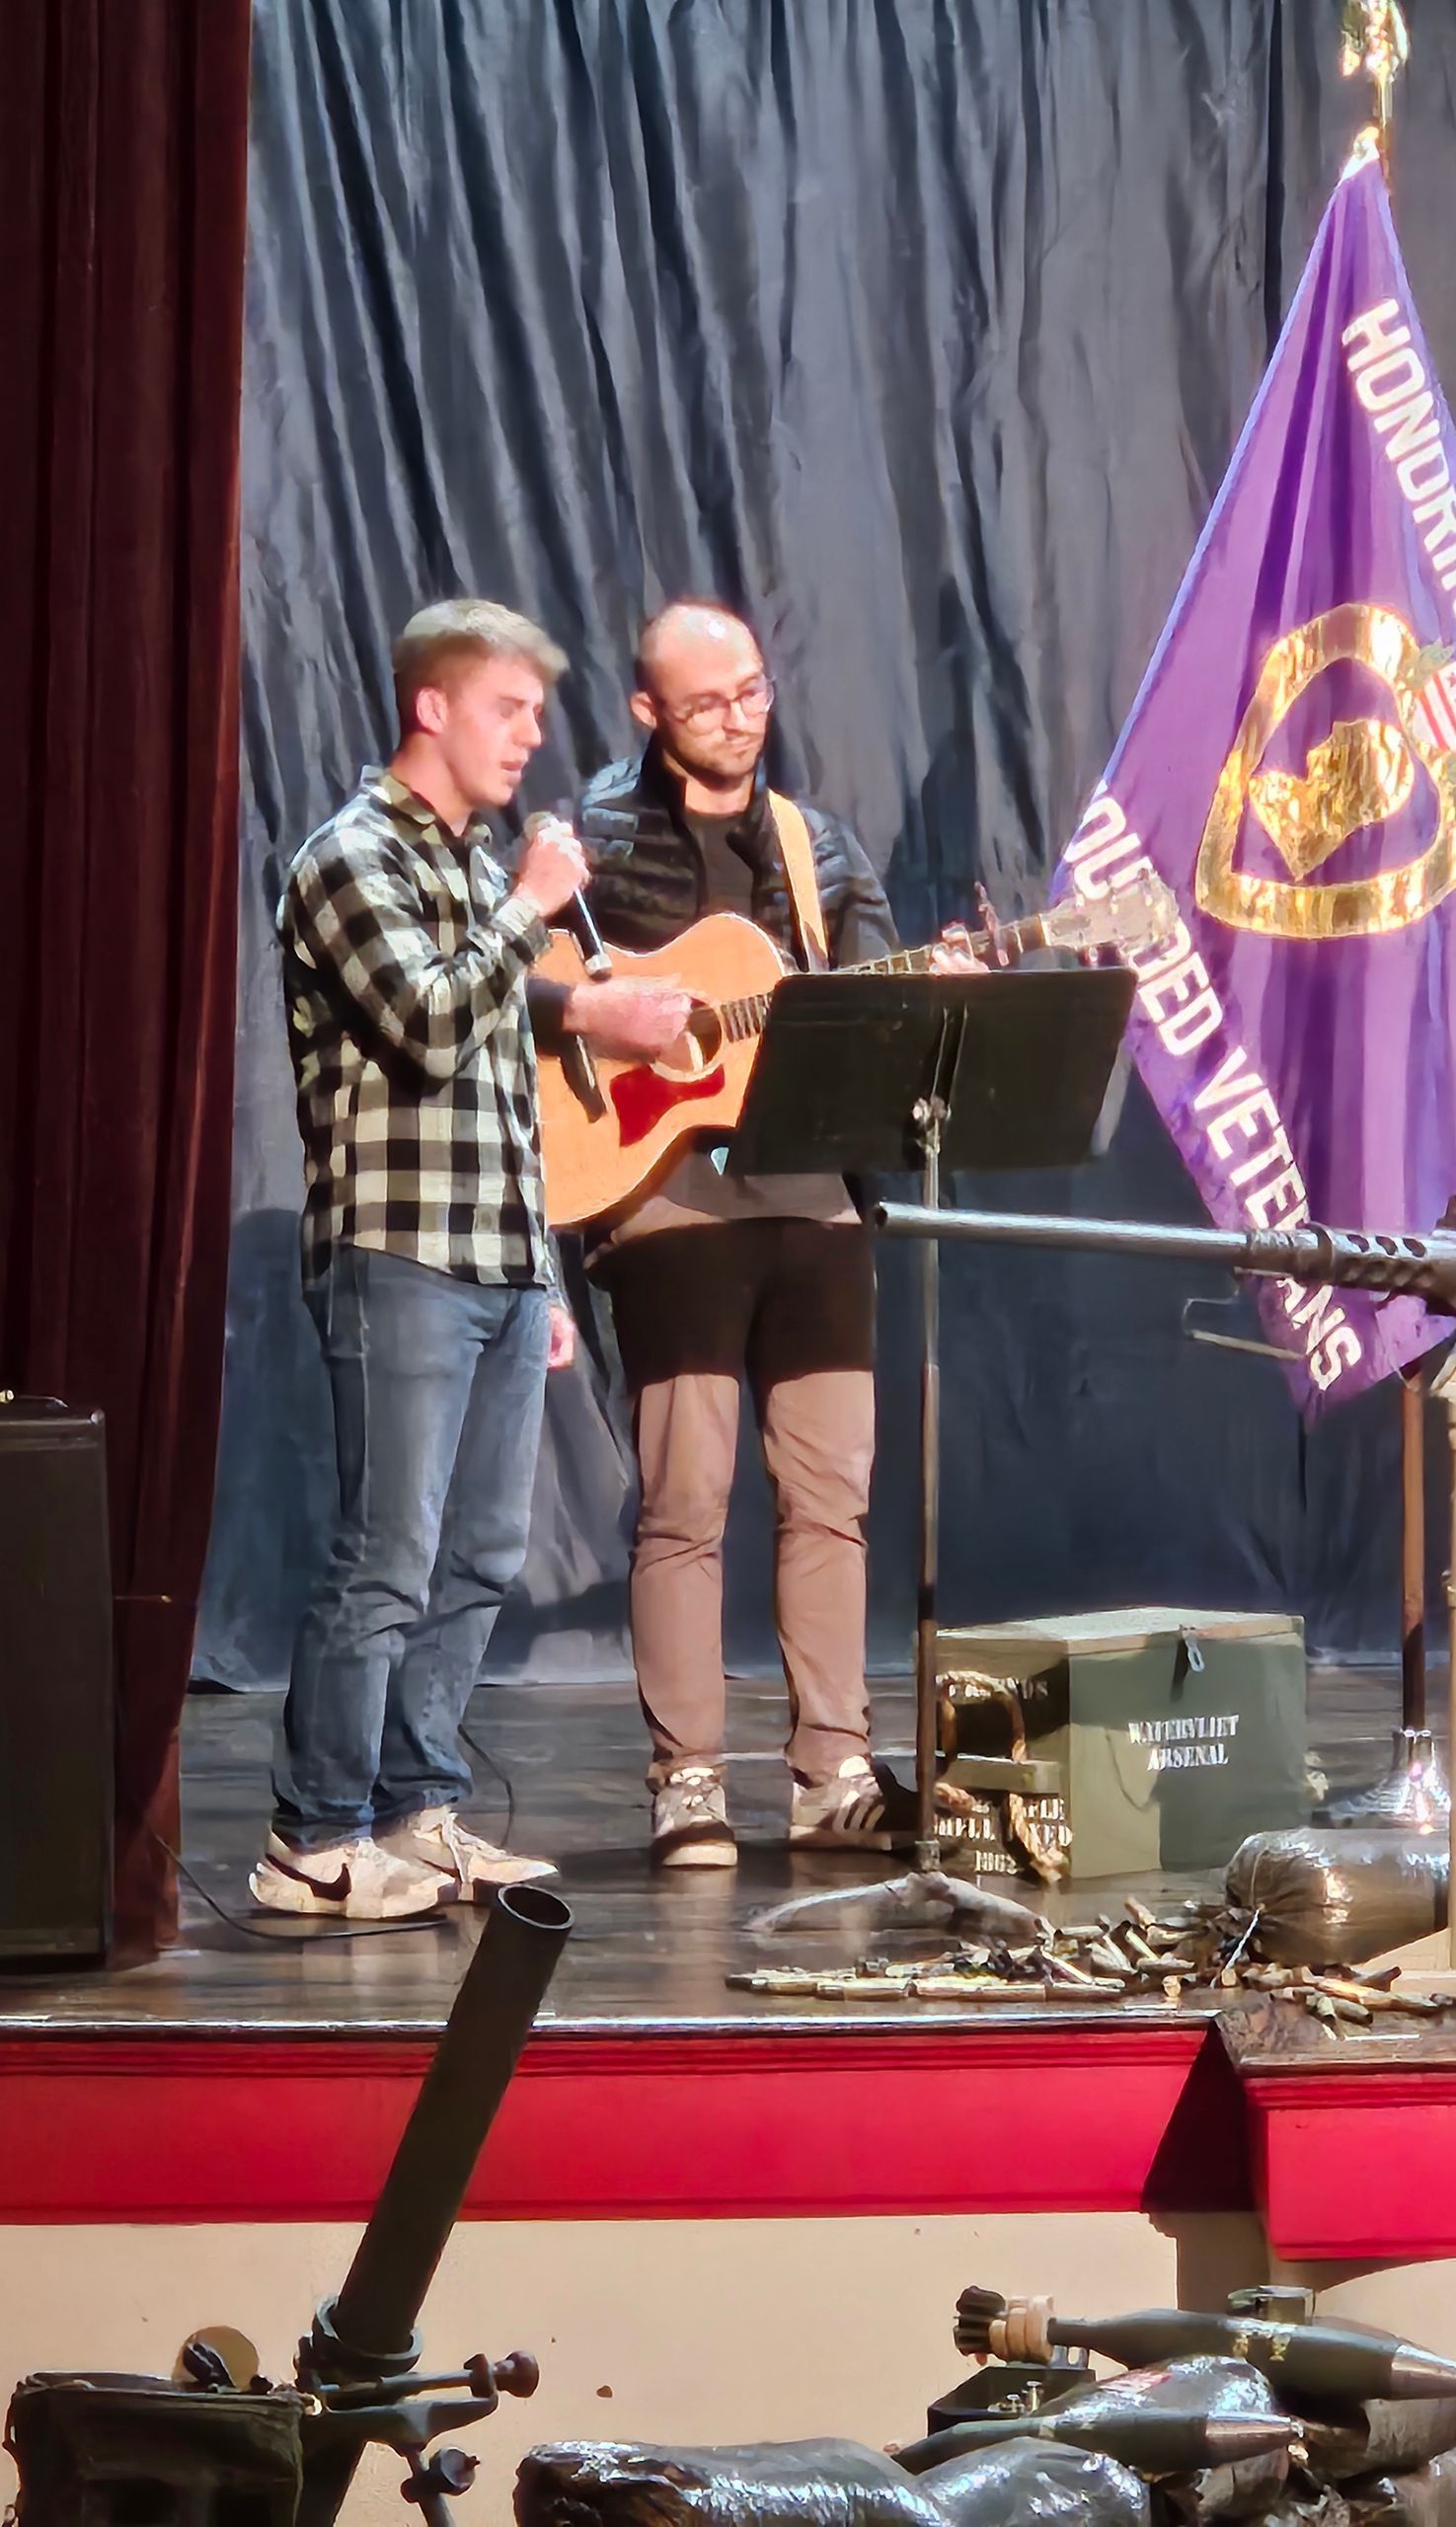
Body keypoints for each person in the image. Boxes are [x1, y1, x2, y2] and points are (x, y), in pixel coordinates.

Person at [257, 597, 688, 1920]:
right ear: (431, 708)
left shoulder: (471, 862)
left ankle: (413, 1805)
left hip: (495, 1262)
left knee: (483, 1552)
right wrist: (528, 911)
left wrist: (542, 1277)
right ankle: (312, 1839)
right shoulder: (350, 861)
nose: (530, 739)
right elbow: (434, 1024)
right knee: (386, 1553)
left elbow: (508, 1098)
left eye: (537, 715)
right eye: (509, 710)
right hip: (398, 1260)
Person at [578, 600, 975, 1867]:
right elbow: (544, 1006)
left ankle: (831, 1772)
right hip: (666, 1195)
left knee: (829, 1496)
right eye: (709, 703)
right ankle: (687, 1778)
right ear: (649, 713)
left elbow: (858, 1001)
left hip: (810, 1194)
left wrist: (927, 991)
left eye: (753, 691)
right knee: (687, 1498)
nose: (742, 719)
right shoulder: (591, 843)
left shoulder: (818, 843)